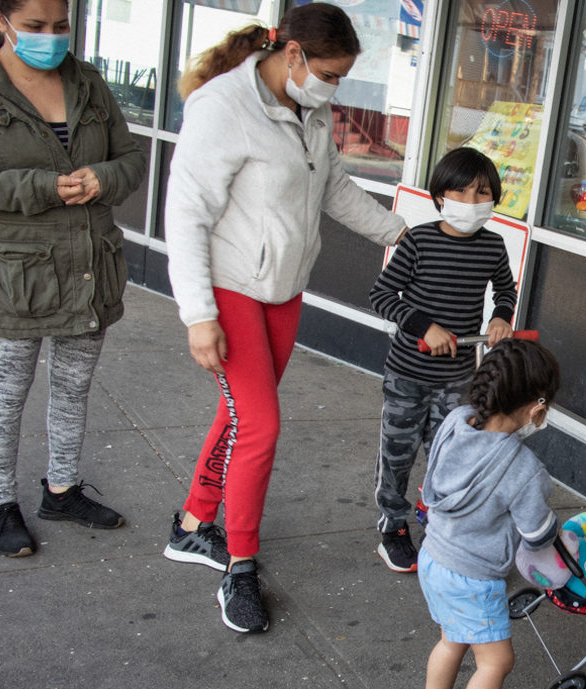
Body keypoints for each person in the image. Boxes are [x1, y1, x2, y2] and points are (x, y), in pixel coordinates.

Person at [163, 3, 407, 634]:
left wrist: (401, 231)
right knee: (261, 427)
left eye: (342, 77)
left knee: (239, 414)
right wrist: (198, 315)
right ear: (292, 53)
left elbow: (333, 189)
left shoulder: (313, 111)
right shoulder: (223, 108)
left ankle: (193, 523)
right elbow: (185, 214)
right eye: (328, 72)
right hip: (231, 288)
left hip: (283, 291)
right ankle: (239, 568)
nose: (333, 87)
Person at [0, 0, 146, 558]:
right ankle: (1, 504)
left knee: (73, 389)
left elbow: (132, 159)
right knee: (7, 394)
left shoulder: (87, 82)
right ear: (2, 21)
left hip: (89, 267)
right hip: (17, 274)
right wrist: (42, 186)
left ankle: (62, 489)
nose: (51, 38)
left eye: (60, 26)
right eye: (35, 27)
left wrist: (104, 177)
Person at [408, 338, 560, 689]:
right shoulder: (524, 468)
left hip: (434, 556)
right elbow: (537, 535)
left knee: (452, 637)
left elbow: (433, 482)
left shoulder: (456, 421)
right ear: (536, 408)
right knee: (496, 661)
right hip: (473, 577)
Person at [369, 147, 516, 573]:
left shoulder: (492, 246)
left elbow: (505, 291)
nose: (471, 203)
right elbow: (380, 296)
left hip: (457, 377)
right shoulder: (419, 240)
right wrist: (422, 326)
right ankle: (393, 526)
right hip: (407, 374)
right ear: (440, 196)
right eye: (461, 192)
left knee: (450, 454)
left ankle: (440, 519)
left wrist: (501, 318)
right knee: (397, 452)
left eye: (482, 193)